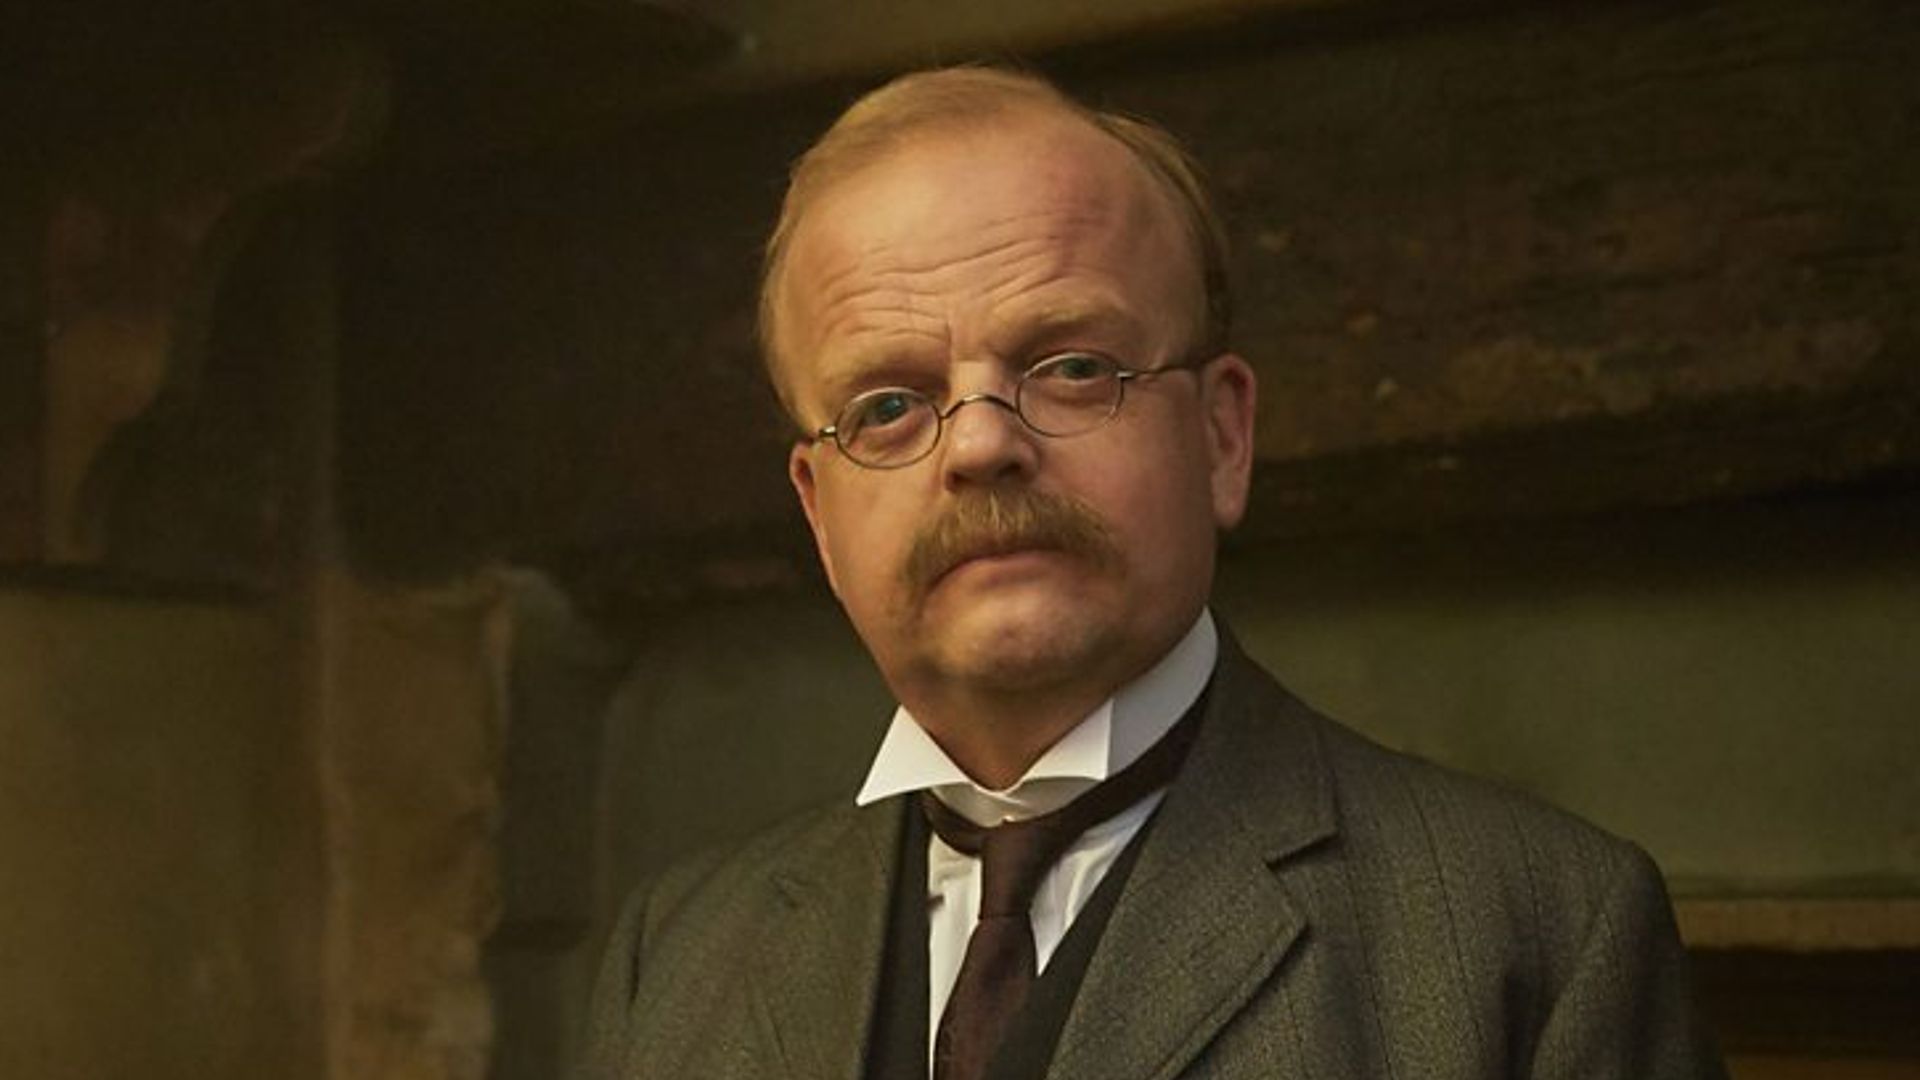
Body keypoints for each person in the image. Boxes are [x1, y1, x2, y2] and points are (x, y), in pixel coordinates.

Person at [583, 65, 1727, 1080]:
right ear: (820, 514)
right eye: (888, 405)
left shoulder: (1543, 931)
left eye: (1073, 365)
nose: (982, 444)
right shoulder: (676, 949)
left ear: (1222, 437)